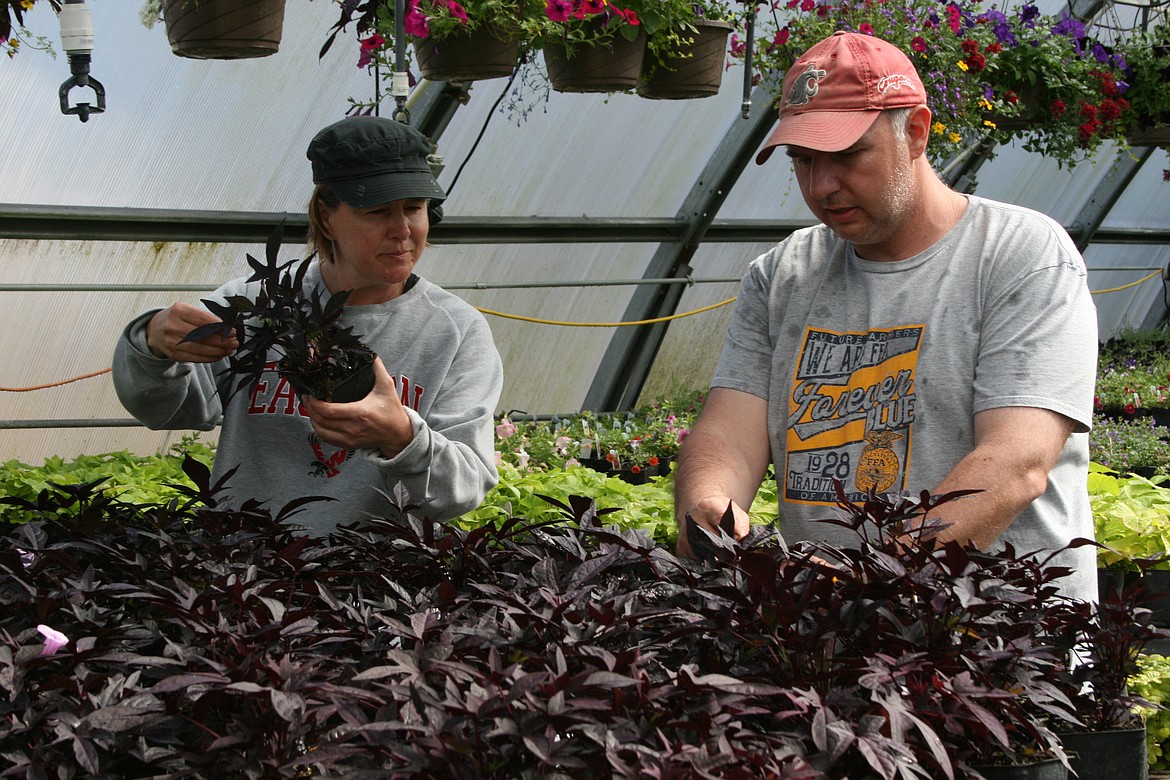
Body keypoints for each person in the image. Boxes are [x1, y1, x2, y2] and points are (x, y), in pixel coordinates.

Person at [674, 31, 1099, 600]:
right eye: (803, 161)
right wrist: (709, 501)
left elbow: (1015, 462)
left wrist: (868, 579)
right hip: (836, 640)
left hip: (1005, 645)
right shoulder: (783, 275)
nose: (822, 186)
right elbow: (729, 432)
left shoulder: (1019, 256)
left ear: (916, 132)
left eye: (848, 155)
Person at [113, 116, 504, 537]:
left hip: (379, 582)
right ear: (326, 215)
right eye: (378, 211)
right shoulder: (259, 305)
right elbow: (168, 411)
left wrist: (403, 437)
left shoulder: (456, 331)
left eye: (414, 208)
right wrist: (152, 344)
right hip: (242, 567)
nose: (403, 231)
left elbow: (462, 491)